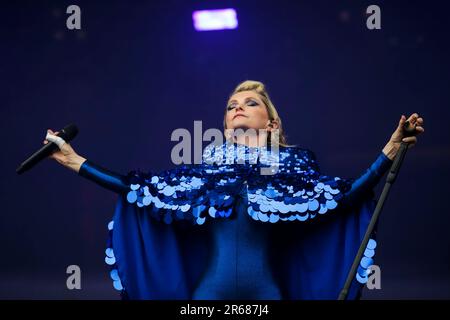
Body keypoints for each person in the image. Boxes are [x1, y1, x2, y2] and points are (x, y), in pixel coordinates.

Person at [44, 80, 424, 300]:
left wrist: (390, 149)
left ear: (272, 122)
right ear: (226, 126)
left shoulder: (296, 166)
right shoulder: (206, 170)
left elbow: (348, 197)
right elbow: (139, 188)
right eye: (231, 106)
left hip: (269, 296)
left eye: (250, 102)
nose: (237, 108)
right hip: (207, 297)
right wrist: (76, 161)